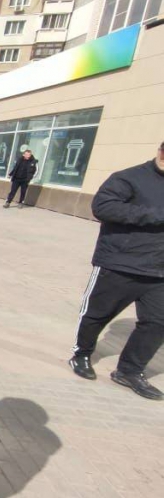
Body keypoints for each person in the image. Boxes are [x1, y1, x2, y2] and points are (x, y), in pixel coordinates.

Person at [69, 141, 164, 400]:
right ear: (160, 152)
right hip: (120, 263)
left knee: (158, 323)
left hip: (159, 272)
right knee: (97, 315)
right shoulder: (128, 178)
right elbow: (103, 207)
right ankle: (82, 354)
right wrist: (157, 214)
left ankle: (130, 371)